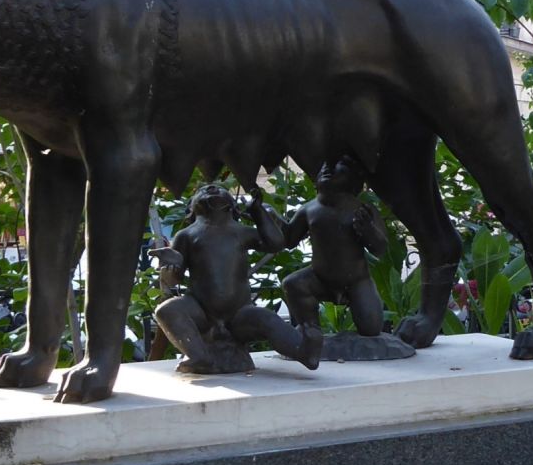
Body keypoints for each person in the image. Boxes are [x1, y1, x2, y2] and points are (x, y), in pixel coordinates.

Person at [152, 184, 318, 373]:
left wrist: (258, 212)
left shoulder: (240, 231)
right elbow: (175, 280)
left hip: (239, 314)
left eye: (222, 189)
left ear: (233, 206)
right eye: (203, 190)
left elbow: (275, 243)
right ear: (191, 208)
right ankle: (197, 355)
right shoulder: (187, 235)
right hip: (201, 312)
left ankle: (304, 350)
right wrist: (171, 267)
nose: (213, 188)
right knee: (166, 310)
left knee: (268, 320)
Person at [281, 156, 388, 348]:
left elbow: (380, 249)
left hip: (356, 280)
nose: (327, 167)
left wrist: (369, 230)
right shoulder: (309, 209)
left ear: (354, 178)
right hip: (319, 278)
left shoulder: (362, 209)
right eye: (324, 165)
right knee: (293, 283)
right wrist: (266, 215)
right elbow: (289, 239)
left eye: (341, 164)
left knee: (371, 329)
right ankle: (310, 332)